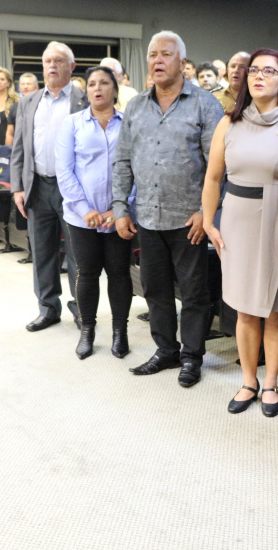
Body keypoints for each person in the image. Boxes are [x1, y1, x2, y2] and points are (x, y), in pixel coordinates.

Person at [112, 31, 224, 387]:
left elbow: (219, 166)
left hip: (189, 217)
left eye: (165, 54)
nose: (157, 61)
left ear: (181, 62)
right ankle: (165, 350)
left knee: (194, 292)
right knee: (155, 288)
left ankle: (192, 356)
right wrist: (120, 207)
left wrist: (206, 212)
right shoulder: (135, 106)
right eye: (152, 55)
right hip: (147, 214)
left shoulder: (205, 104)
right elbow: (123, 161)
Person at [201, 49, 278, 416]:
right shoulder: (228, 123)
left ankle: (272, 382)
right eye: (253, 70)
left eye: (268, 71)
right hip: (238, 220)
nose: (258, 76)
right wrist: (209, 221)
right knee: (246, 309)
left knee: (276, 309)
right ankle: (248, 380)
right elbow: (213, 177)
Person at [56, 66, 133, 360]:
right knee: (87, 274)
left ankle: (119, 332)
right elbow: (64, 171)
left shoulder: (128, 124)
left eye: (104, 83)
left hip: (119, 216)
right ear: (86, 90)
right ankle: (87, 331)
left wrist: (121, 207)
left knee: (119, 274)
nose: (97, 88)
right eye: (91, 84)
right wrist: (84, 208)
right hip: (81, 216)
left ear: (115, 88)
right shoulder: (72, 124)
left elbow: (135, 169)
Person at [11, 41, 88, 333]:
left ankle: (82, 309)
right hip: (37, 188)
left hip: (73, 192)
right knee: (42, 252)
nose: (52, 66)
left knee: (78, 254)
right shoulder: (29, 101)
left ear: (72, 66)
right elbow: (19, 147)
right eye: (47, 61)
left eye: (58, 60)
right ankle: (47, 309)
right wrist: (18, 187)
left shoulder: (85, 99)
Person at [7, 73, 39, 146]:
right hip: (19, 147)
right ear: (19, 88)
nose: (25, 87)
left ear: (36, 87)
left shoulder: (42, 105)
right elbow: (10, 133)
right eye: (23, 84)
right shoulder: (14, 106)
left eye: (28, 84)